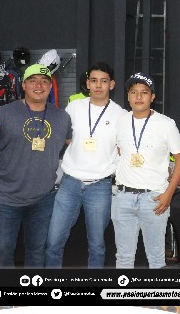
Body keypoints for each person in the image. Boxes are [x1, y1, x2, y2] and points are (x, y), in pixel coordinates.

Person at [0, 63, 70, 267]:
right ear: (23, 85)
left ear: (50, 87)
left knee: (36, 251)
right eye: (33, 81)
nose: (38, 85)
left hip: (43, 198)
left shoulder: (62, 118)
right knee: (3, 250)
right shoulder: (4, 113)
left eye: (44, 81)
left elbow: (73, 144)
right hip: (5, 197)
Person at [45, 62, 124, 268]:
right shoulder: (74, 107)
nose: (98, 85)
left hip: (100, 185)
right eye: (94, 80)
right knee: (53, 242)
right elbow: (63, 136)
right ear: (87, 83)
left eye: (103, 81)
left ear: (111, 84)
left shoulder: (120, 114)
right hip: (69, 183)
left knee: (97, 245)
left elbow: (122, 148)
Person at [112, 73, 180, 268]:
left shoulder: (166, 124)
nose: (138, 97)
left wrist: (168, 194)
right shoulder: (120, 120)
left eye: (144, 92)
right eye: (133, 92)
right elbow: (118, 150)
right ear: (128, 96)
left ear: (152, 97)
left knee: (156, 258)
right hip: (123, 198)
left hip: (154, 199)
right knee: (123, 258)